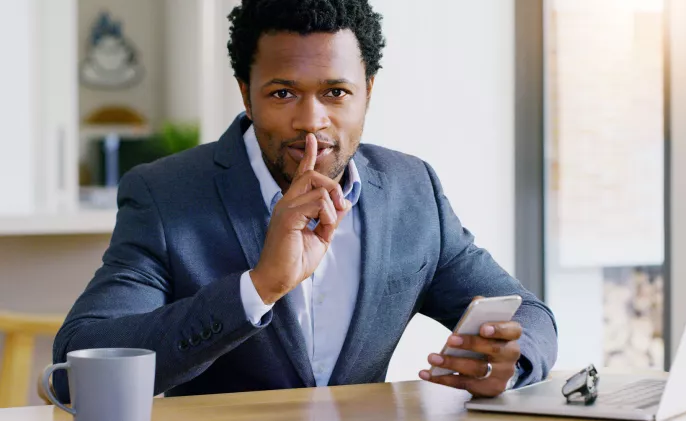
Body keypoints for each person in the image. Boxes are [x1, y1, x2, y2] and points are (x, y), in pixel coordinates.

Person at [53, 0, 558, 400]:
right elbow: (74, 368)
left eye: (336, 92)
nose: (311, 121)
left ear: (368, 91)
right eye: (282, 94)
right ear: (245, 95)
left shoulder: (412, 189)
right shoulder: (166, 195)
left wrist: (506, 363)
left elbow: (530, 315)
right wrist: (258, 288)